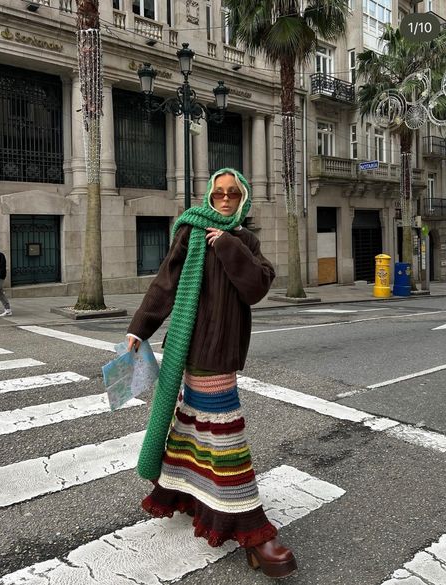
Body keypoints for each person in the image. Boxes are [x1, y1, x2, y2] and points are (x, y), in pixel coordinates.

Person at [126, 168, 297, 579]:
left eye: (232, 194)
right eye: (218, 193)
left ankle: (183, 490)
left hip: (222, 351)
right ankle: (253, 531)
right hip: (191, 347)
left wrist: (227, 245)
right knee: (223, 434)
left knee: (202, 425)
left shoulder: (246, 242)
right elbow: (165, 283)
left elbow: (256, 287)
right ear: (208, 195)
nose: (223, 200)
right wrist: (138, 328)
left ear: (242, 200)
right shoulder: (189, 231)